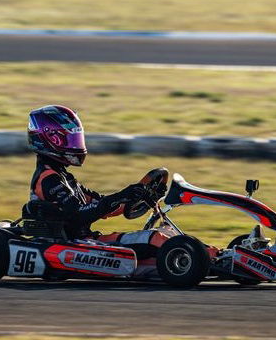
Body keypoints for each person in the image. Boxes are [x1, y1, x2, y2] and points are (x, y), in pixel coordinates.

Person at [25, 105, 169, 274]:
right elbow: (78, 214)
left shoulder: (64, 178)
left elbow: (99, 205)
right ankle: (197, 256)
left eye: (76, 136)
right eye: (70, 137)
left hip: (86, 240)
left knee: (164, 232)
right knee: (153, 239)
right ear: (51, 139)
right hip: (74, 244)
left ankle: (194, 255)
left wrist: (135, 198)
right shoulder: (48, 179)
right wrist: (121, 196)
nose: (75, 143)